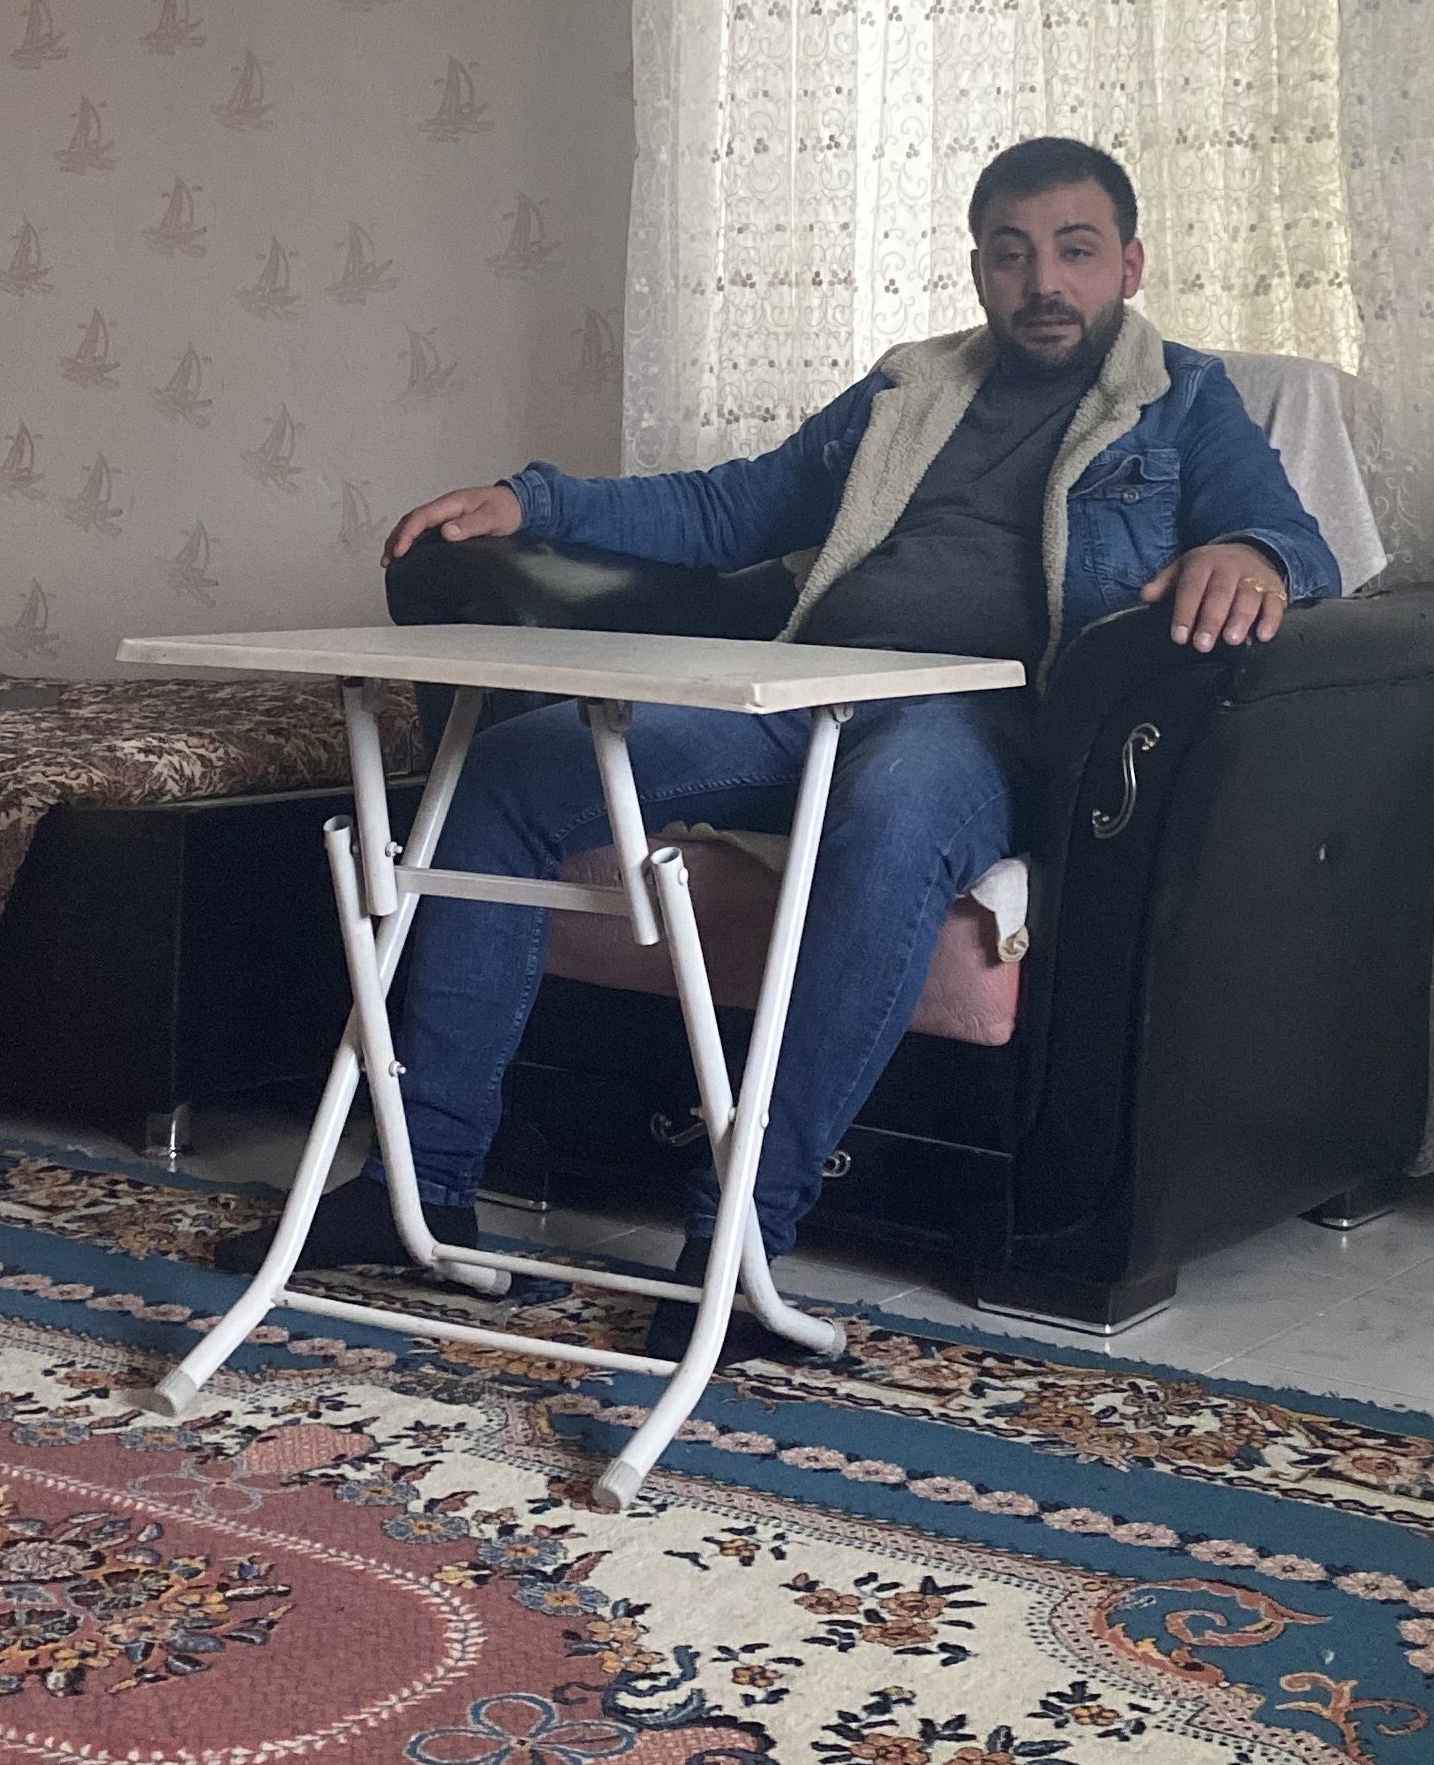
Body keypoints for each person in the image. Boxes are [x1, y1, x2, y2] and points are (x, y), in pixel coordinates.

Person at [269, 135, 1340, 1287]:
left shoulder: (1186, 401)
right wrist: (531, 502)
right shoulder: (909, 391)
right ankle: (417, 1190)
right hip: (810, 689)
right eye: (1011, 253)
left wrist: (1248, 552)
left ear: (1129, 265)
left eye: (1075, 252)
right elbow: (733, 508)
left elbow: (1300, 545)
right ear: (977, 268)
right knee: (508, 774)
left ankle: (738, 1239)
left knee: (890, 811)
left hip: (978, 723)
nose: (1043, 283)